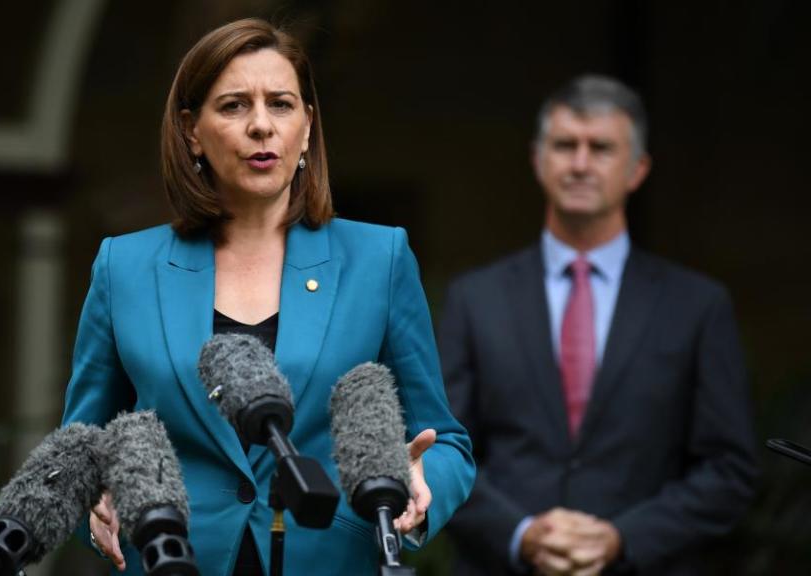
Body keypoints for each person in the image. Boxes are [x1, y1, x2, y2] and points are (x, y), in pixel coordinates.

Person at [61, 18, 475, 576]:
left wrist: (423, 488)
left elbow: (444, 439)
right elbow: (82, 444)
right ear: (191, 130)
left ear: (307, 126)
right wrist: (95, 498)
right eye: (233, 106)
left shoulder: (380, 260)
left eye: (281, 104)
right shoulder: (125, 267)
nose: (261, 126)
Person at [440, 75, 758, 575]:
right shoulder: (473, 300)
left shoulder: (697, 306)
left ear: (638, 169)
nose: (581, 163)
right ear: (537, 159)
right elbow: (441, 449)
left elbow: (730, 470)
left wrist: (620, 538)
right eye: (566, 145)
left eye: (602, 148)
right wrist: (521, 535)